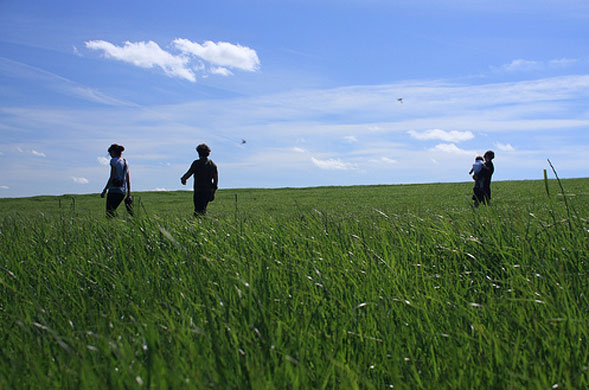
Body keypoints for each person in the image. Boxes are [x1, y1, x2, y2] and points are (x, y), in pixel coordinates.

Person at [181, 144, 218, 216]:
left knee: (198, 210)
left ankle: (199, 224)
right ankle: (202, 222)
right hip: (208, 191)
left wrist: (183, 179)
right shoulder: (213, 165)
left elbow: (189, 173)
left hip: (199, 190)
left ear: (199, 153)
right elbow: (216, 180)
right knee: (203, 209)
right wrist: (213, 192)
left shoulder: (197, 163)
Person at [101, 144, 133, 217]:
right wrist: (128, 193)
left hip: (113, 189)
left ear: (113, 152)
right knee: (112, 211)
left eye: (110, 153)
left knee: (109, 213)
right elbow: (128, 179)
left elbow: (112, 176)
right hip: (122, 191)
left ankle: (119, 222)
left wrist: (105, 189)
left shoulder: (114, 161)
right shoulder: (125, 162)